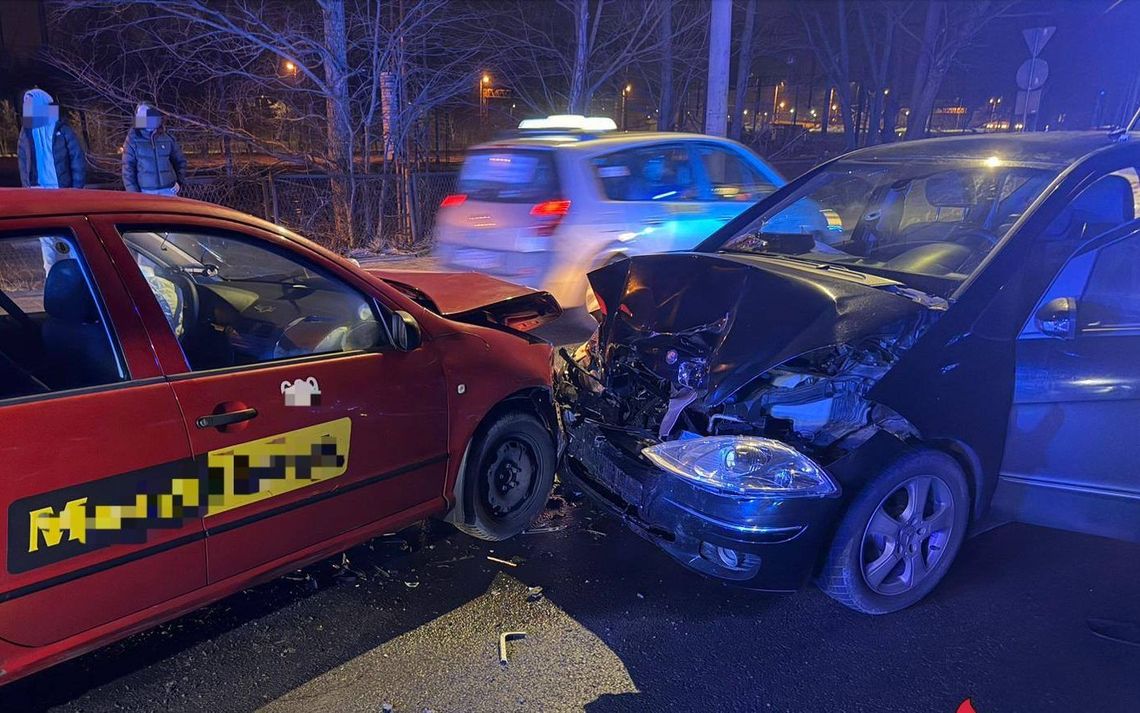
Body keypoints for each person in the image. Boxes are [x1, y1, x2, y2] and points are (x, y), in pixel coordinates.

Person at [17, 88, 87, 274]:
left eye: (30, 102)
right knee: (47, 240)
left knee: (70, 237)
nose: (27, 106)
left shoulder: (61, 128)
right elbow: (23, 162)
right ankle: (52, 281)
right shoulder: (26, 131)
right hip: (38, 191)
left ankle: (80, 280)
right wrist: (27, 190)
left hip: (61, 191)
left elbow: (77, 158)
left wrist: (76, 190)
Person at [122, 103, 188, 196]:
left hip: (169, 191)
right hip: (146, 193)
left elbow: (180, 161)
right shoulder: (133, 139)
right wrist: (134, 194)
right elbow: (127, 169)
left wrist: (179, 182)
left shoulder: (167, 138)